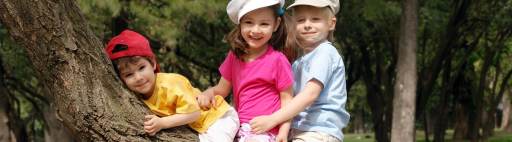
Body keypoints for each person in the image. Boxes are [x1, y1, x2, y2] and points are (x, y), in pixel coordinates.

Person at [104, 30, 239, 142]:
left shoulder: (170, 84)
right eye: (128, 75)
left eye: (141, 68)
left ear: (153, 64)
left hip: (218, 118)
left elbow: (194, 113)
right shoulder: (136, 95)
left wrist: (162, 123)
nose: (138, 77)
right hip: (201, 127)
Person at [249, 0, 350, 141]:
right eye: (301, 20)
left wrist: (273, 119)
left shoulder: (325, 52)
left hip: (319, 131)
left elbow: (310, 94)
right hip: (301, 131)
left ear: (331, 23)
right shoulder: (299, 62)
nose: (307, 25)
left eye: (315, 19)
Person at [196, 0, 294, 141]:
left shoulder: (278, 60)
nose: (255, 30)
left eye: (264, 24)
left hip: (266, 129)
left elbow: (287, 101)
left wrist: (283, 132)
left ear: (276, 25)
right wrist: (207, 93)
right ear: (240, 23)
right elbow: (221, 90)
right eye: (249, 22)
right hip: (238, 126)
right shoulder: (234, 56)